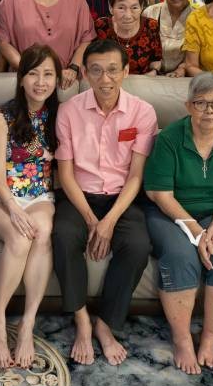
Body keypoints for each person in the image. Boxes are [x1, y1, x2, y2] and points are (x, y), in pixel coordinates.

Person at [53, 39, 156, 366]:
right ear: (84, 73)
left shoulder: (143, 112)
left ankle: (105, 323)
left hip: (121, 198)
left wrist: (108, 222)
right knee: (63, 237)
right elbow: (66, 174)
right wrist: (90, 219)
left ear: (125, 71)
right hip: (78, 195)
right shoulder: (69, 111)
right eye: (95, 70)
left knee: (138, 245)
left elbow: (136, 176)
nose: (105, 79)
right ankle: (82, 319)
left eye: (113, 70)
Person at [143, 71, 213, 374]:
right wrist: (195, 230)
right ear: (188, 105)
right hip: (173, 213)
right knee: (180, 255)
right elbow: (160, 194)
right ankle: (181, 340)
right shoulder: (168, 139)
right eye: (201, 103)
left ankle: (209, 339)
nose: (210, 111)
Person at [0, 45, 62, 368]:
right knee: (19, 237)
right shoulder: (1, 117)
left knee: (42, 231)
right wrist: (13, 208)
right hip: (4, 196)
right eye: (33, 73)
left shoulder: (60, 115)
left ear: (57, 79)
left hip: (41, 195)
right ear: (21, 78)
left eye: (48, 74)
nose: (40, 82)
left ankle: (27, 322)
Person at [92, 0, 162, 75]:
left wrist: (154, 71)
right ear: (111, 8)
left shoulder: (151, 26)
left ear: (141, 7)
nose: (128, 15)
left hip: (142, 81)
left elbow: (156, 59)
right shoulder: (101, 26)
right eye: (121, 8)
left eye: (134, 8)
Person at [143, 0, 197, 75]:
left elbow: (197, 56)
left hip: (183, 78)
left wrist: (182, 69)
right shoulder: (150, 13)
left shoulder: (198, 18)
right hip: (150, 76)